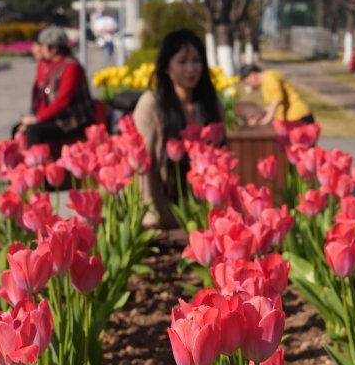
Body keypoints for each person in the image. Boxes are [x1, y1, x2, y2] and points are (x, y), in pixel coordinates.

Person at [134, 28, 224, 229]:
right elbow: (144, 167)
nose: (191, 69)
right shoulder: (151, 105)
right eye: (182, 62)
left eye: (196, 61)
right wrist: (152, 217)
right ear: (167, 67)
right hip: (164, 209)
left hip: (204, 210)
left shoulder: (211, 104)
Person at [19, 27, 93, 158]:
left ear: (54, 49)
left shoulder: (71, 67)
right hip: (58, 117)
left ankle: (37, 171)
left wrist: (37, 119)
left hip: (72, 120)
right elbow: (42, 95)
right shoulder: (51, 64)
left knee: (34, 131)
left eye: (43, 46)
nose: (40, 49)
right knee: (19, 128)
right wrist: (32, 118)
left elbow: (62, 102)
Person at [239, 64, 314, 127]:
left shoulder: (270, 77)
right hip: (288, 120)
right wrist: (258, 116)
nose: (249, 86)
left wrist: (266, 120)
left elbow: (277, 100)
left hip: (299, 118)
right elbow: (271, 106)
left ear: (252, 75)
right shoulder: (263, 85)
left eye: (247, 83)